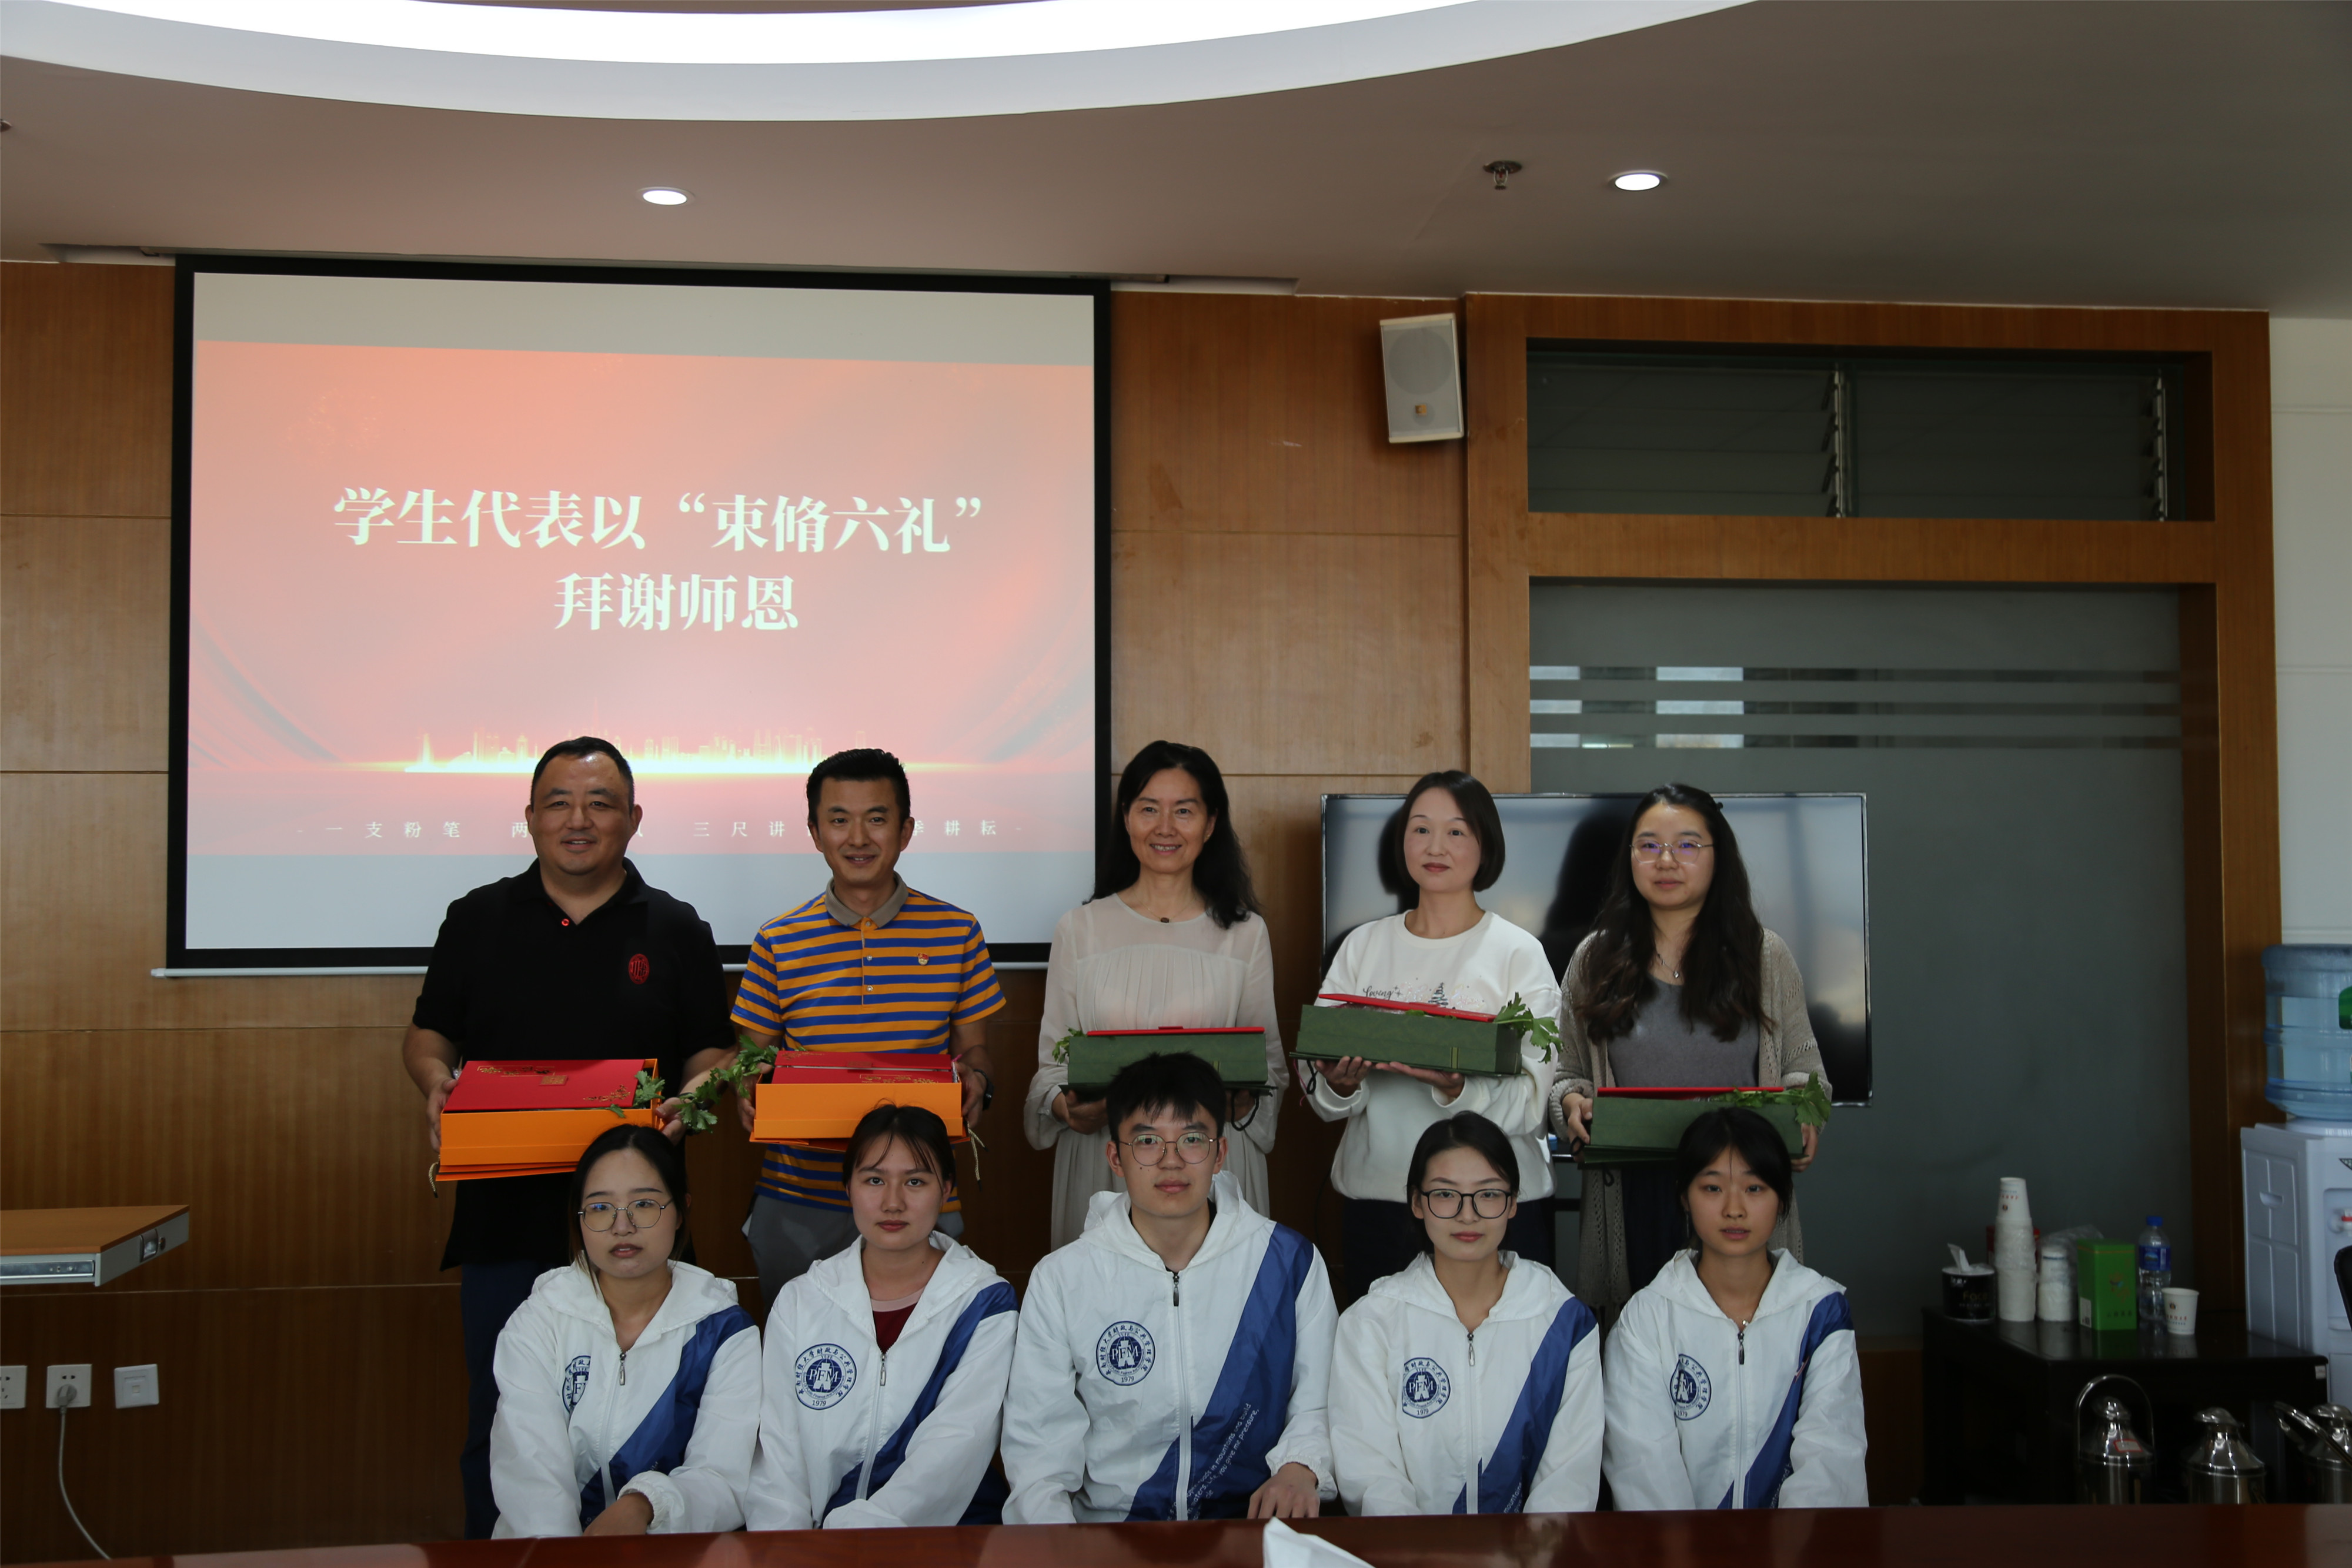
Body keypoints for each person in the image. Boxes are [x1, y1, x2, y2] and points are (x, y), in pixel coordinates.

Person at [402, 737, 736, 1538]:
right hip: (505, 1216)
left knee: (661, 1418)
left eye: (600, 803)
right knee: (504, 1423)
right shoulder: (477, 918)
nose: (578, 819)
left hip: (638, 1221)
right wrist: (435, 1080)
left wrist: (694, 1098)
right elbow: (428, 1035)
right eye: (558, 802)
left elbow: (715, 1053)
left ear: (634, 818)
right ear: (530, 817)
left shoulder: (676, 926)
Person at [1001, 1052, 1337, 1523]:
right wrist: (1061, 1543)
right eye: (1147, 1141)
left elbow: (1319, 1399)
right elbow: (1039, 1450)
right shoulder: (1063, 1278)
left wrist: (1301, 1465)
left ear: (1220, 1153)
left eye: (1192, 1139)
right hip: (1112, 1530)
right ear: (1115, 1157)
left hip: (1250, 1523)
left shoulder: (1288, 1263)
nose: (1171, 1160)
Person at [730, 748, 1005, 1312]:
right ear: (815, 832)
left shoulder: (957, 931)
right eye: (839, 820)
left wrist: (978, 1080)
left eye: (876, 819)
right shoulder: (778, 939)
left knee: (922, 1349)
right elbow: (749, 1062)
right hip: (800, 1197)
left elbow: (975, 1050)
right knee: (802, 1350)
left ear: (905, 830)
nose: (858, 838)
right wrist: (747, 1089)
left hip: (917, 1191)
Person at [1549, 783, 1830, 1322]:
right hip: (1632, 1196)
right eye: (1649, 845)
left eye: (1687, 844)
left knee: (1747, 1339)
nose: (1666, 860)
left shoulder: (1765, 956)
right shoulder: (1594, 959)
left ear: (1718, 856)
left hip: (1738, 1188)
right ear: (1630, 857)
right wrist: (1571, 1103)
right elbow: (1567, 1073)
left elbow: (1805, 1070)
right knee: (1638, 1343)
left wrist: (1802, 1110)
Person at [1307, 770, 1562, 1304]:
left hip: (1493, 1207)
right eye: (1420, 829)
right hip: (1382, 1201)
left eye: (1457, 831)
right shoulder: (1362, 946)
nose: (1436, 846)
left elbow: (1533, 1102)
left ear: (1486, 844)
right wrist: (1340, 1084)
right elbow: (1321, 1079)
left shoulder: (1519, 953)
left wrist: (1457, 1089)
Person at [1027, 741, 1288, 1249]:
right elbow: (1052, 1067)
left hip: (1209, 1162)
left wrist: (1243, 1101)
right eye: (1149, 809)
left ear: (1210, 824)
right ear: (1127, 818)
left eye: (1184, 811)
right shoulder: (1080, 929)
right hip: (1108, 1161)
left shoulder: (1245, 934)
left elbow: (1270, 1068)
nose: (1165, 827)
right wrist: (1066, 1108)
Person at [746, 1104, 1017, 1529]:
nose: (893, 1202)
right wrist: (786, 1544)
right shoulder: (801, 1300)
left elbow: (951, 1454)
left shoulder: (984, 1304)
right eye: (874, 1180)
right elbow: (779, 1456)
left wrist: (849, 1540)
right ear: (848, 1188)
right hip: (812, 1545)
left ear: (946, 1190)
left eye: (915, 1181)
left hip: (943, 1540)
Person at [487, 1126, 760, 1536]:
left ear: (681, 1210)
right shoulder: (540, 1321)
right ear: (579, 1219)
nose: (622, 1226)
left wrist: (647, 1503)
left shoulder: (725, 1331)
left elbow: (723, 1478)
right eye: (600, 1208)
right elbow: (531, 1474)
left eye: (644, 1204)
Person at [1329, 1113, 1602, 1515]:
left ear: (1513, 1203)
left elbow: (1569, 1480)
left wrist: (1532, 1548)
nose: (1468, 1214)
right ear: (1417, 1202)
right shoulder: (1371, 1323)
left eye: (1488, 1194)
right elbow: (1371, 1472)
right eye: (1445, 1194)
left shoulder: (1563, 1323)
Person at [1602, 1108, 1866, 1509]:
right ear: (1684, 1196)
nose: (1734, 1208)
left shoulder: (1821, 1313)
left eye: (1754, 1188)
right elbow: (1644, 1472)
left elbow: (1831, 1460)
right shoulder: (1647, 1319)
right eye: (1712, 1188)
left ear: (1783, 1197)